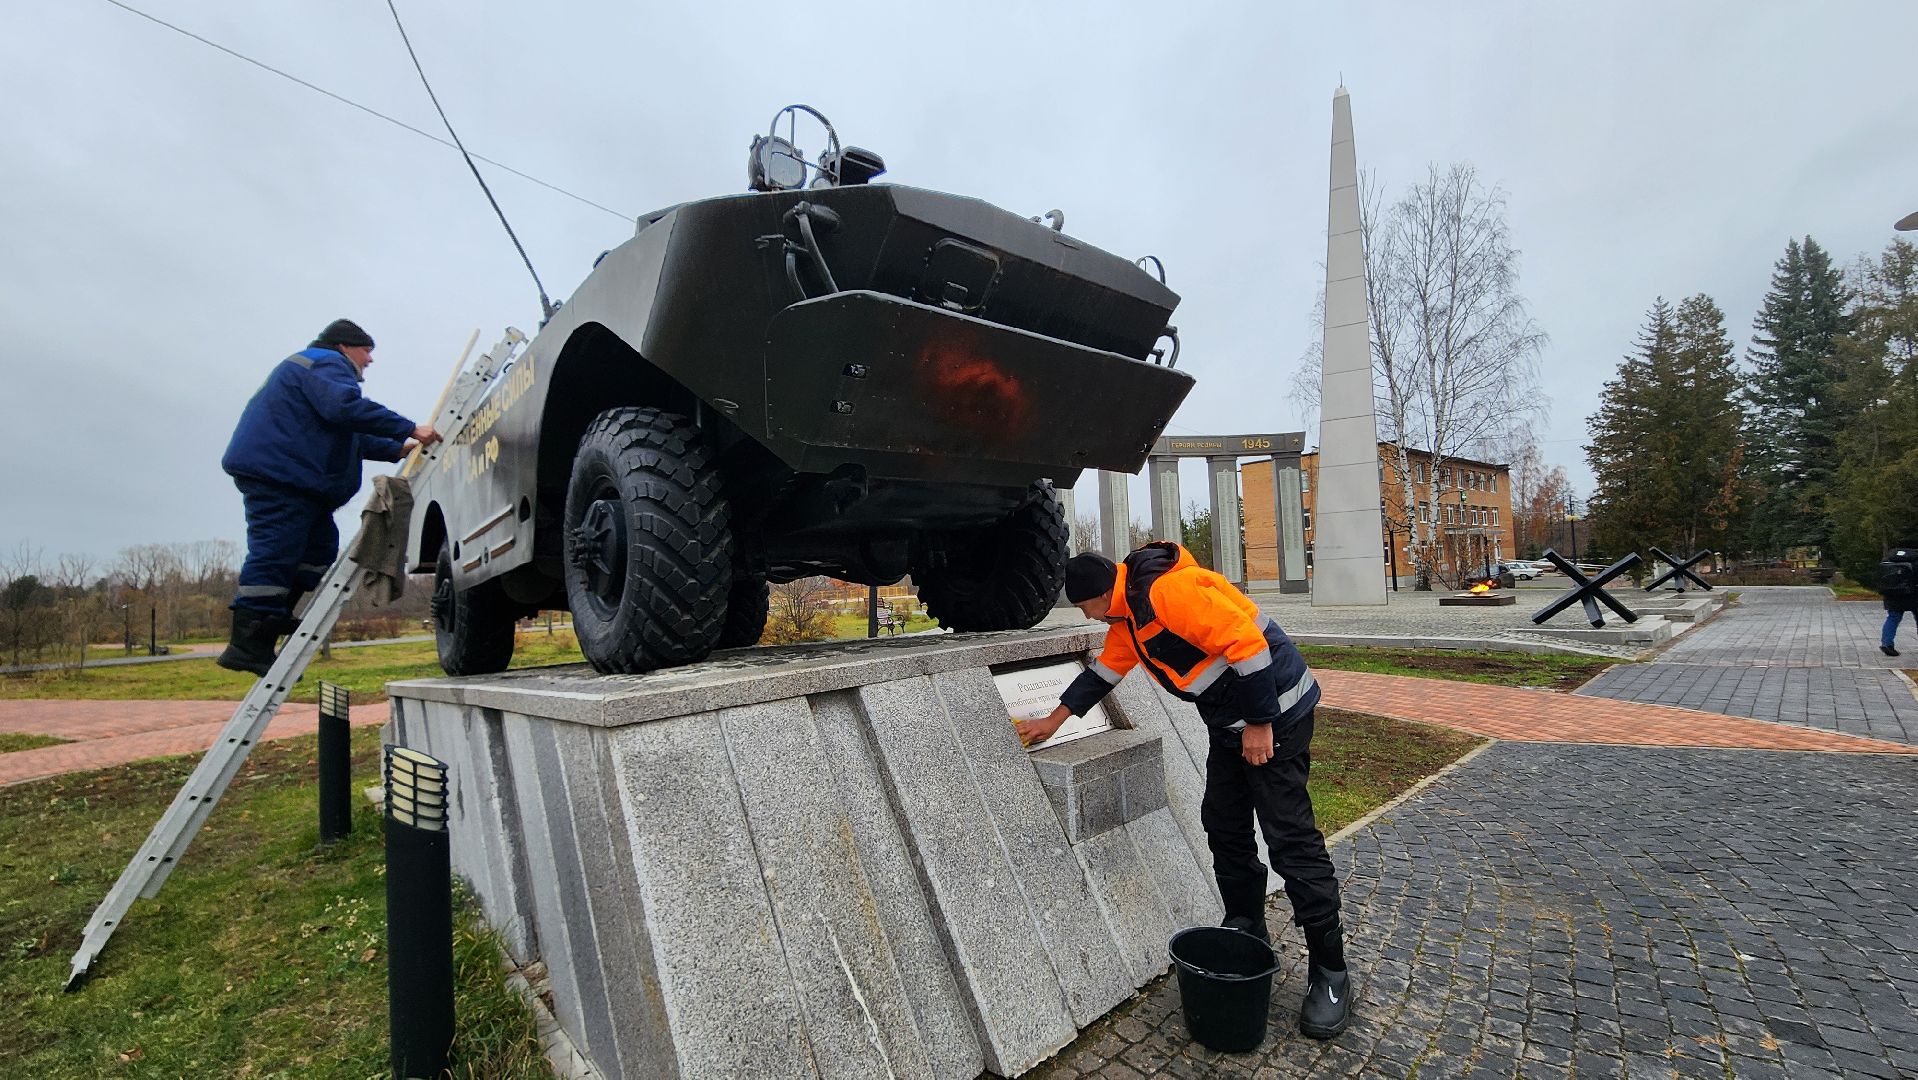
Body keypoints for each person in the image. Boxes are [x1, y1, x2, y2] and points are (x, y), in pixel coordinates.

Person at [1017, 542, 1353, 1039]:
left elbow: (1246, 644)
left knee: (1290, 839)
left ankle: (1331, 972)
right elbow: (1105, 671)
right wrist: (1054, 719)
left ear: (1098, 596)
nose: (1087, 617)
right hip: (1230, 722)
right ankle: (1245, 922)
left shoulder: (1167, 591)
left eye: (1085, 608)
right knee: (1222, 821)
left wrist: (1262, 723)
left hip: (1275, 711)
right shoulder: (1128, 617)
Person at [217, 319, 439, 675]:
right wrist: (408, 426)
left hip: (296, 480)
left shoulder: (315, 371)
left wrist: (397, 448)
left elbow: (348, 433)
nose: (370, 360)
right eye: (367, 350)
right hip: (280, 477)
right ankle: (247, 643)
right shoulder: (325, 364)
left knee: (318, 551)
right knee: (275, 551)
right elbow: (345, 409)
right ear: (344, 347)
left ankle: (273, 619)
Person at [1879, 544, 1918, 657]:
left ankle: (1887, 643)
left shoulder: (1889, 558)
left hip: (1892, 594)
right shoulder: (1915, 559)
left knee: (1893, 618)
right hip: (1913, 594)